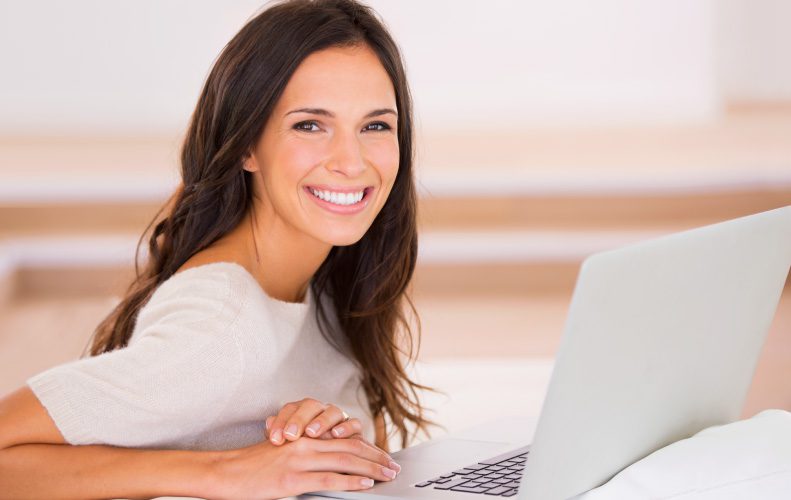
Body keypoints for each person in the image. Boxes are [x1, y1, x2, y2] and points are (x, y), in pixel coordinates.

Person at [0, 0, 444, 498]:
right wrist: (221, 472)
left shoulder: (323, 282)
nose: (352, 160)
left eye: (375, 125)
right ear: (246, 145)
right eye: (310, 125)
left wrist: (335, 439)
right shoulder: (223, 326)